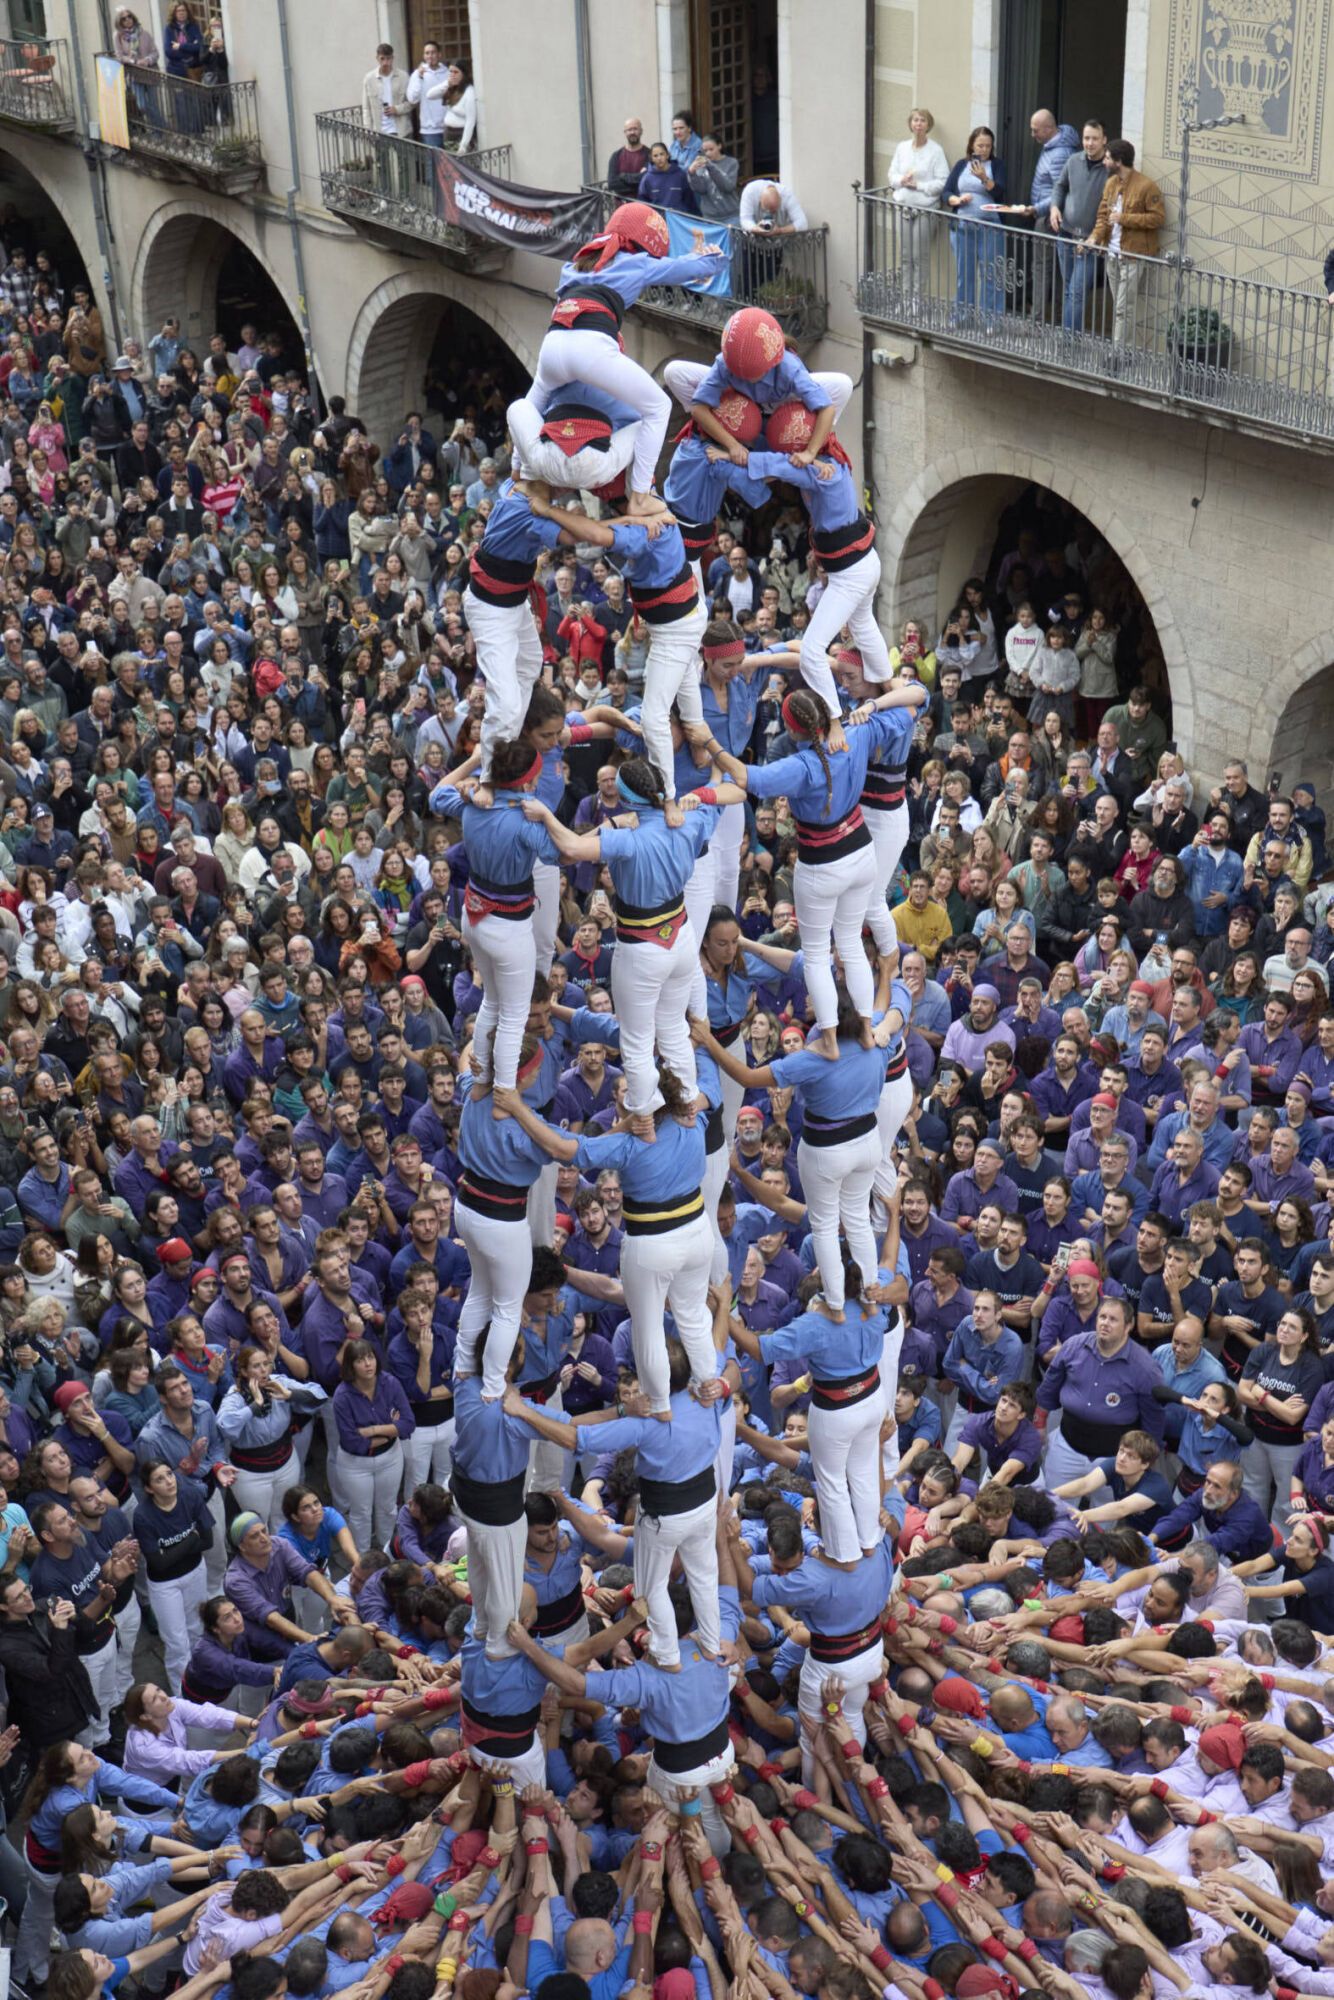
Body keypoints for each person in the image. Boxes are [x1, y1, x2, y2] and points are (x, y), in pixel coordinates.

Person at [1083, 139, 1166, 349]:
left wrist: (1125, 218)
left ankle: (1119, 353)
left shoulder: (1146, 186)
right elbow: (1103, 215)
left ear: (1118, 161)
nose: (1104, 161)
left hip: (1133, 255)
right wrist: (1093, 238)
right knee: (1121, 307)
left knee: (1123, 308)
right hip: (1112, 255)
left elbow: (1157, 219)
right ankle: (1124, 349)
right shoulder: (1111, 184)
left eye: (1108, 158)